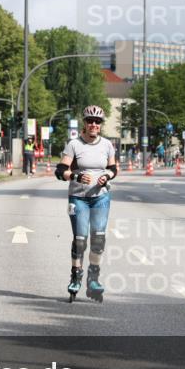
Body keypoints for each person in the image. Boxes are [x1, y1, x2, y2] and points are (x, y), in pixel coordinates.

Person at [56, 105, 117, 303]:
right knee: (80, 240)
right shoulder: (74, 144)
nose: (93, 124)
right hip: (78, 198)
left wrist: (107, 175)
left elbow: (113, 168)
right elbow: (60, 170)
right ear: (85, 123)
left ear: (100, 125)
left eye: (97, 122)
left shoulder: (107, 145)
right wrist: (74, 175)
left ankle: (93, 278)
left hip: (101, 197)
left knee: (98, 239)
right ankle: (76, 276)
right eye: (90, 121)